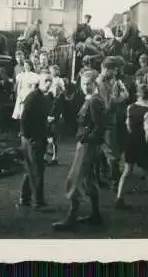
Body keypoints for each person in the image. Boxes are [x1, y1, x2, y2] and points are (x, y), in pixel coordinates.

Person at [52, 70, 106, 231]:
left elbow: (100, 126)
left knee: (75, 179)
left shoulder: (95, 101)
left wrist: (86, 139)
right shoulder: (90, 99)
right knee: (89, 179)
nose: (85, 86)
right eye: (83, 83)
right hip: (88, 144)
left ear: (95, 84)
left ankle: (71, 217)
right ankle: (95, 214)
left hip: (87, 145)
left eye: (89, 83)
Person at [115, 84, 148, 211]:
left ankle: (119, 198)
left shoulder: (130, 107)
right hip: (142, 144)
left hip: (131, 141)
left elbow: (128, 126)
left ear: (138, 94)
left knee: (127, 171)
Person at [18, 72, 53, 208]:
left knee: (31, 169)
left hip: (36, 138)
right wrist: (29, 137)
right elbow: (24, 119)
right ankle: (38, 201)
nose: (49, 83)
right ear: (40, 81)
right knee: (37, 170)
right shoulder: (33, 97)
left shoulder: (42, 97)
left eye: (50, 80)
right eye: (46, 80)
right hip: (32, 139)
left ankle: (25, 198)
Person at [97, 57, 129, 189]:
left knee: (103, 152)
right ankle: (114, 182)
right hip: (107, 122)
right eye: (114, 70)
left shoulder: (109, 81)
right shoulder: (103, 83)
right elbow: (109, 105)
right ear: (108, 69)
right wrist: (122, 97)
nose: (116, 72)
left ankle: (103, 177)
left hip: (108, 121)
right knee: (112, 154)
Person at [47, 65, 66, 165]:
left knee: (54, 136)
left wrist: (55, 116)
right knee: (48, 135)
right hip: (50, 113)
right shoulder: (49, 97)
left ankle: (55, 156)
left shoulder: (59, 99)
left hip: (55, 115)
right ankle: (48, 154)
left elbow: (62, 91)